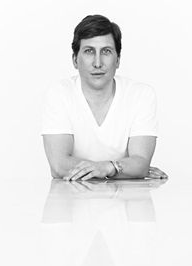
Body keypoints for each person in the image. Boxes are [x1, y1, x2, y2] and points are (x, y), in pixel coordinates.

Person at [41, 14, 168, 181]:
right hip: (71, 199)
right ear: (74, 60)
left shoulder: (141, 95)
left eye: (106, 52)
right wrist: (120, 169)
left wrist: (111, 167)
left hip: (125, 199)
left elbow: (141, 164)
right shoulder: (59, 93)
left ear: (118, 60)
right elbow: (59, 166)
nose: (98, 63)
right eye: (89, 51)